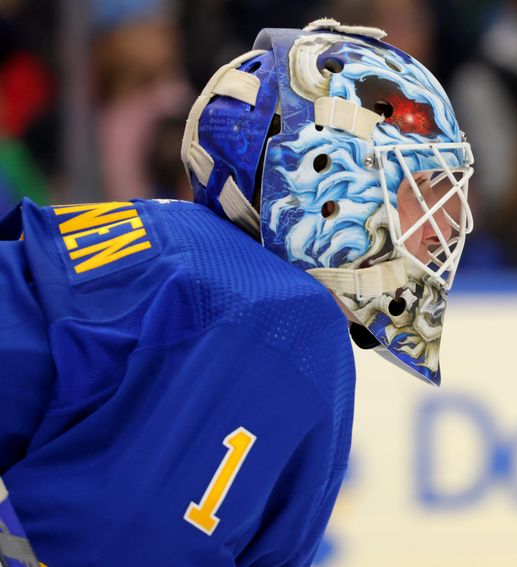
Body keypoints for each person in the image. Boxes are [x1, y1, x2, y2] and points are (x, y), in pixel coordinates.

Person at [0, 19, 474, 566]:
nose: (453, 223)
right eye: (423, 187)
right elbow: (119, 547)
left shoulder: (186, 252)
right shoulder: (278, 318)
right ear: (328, 181)